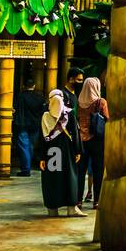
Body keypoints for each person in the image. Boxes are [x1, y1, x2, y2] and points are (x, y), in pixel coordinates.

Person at [36, 89, 85, 217]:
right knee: (69, 178)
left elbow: (41, 138)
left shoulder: (45, 116)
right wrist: (78, 150)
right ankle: (71, 208)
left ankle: (53, 209)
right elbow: (75, 133)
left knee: (53, 179)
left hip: (52, 153)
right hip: (67, 152)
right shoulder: (69, 114)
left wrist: (42, 157)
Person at [77, 77, 109, 208]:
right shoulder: (101, 102)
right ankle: (97, 201)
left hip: (81, 141)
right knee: (98, 171)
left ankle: (78, 200)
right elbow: (107, 118)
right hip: (97, 140)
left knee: (80, 171)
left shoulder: (78, 101)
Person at [12, 74, 47, 177]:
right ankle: (27, 166)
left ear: (24, 86)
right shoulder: (40, 97)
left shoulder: (20, 96)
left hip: (22, 124)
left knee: (24, 146)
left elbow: (14, 109)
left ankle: (26, 169)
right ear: (34, 86)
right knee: (30, 146)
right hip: (35, 125)